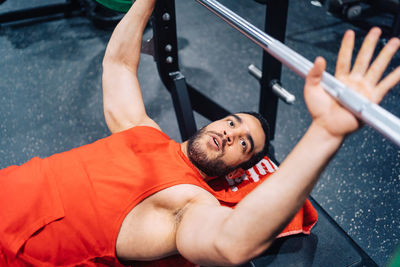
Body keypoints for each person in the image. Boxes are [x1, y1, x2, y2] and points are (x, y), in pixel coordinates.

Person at [1, 0, 399, 266]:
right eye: (231, 122)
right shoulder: (143, 131)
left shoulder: (186, 204)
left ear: (236, 171)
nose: (231, 133)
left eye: (244, 143)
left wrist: (326, 133)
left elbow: (230, 243)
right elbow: (119, 66)